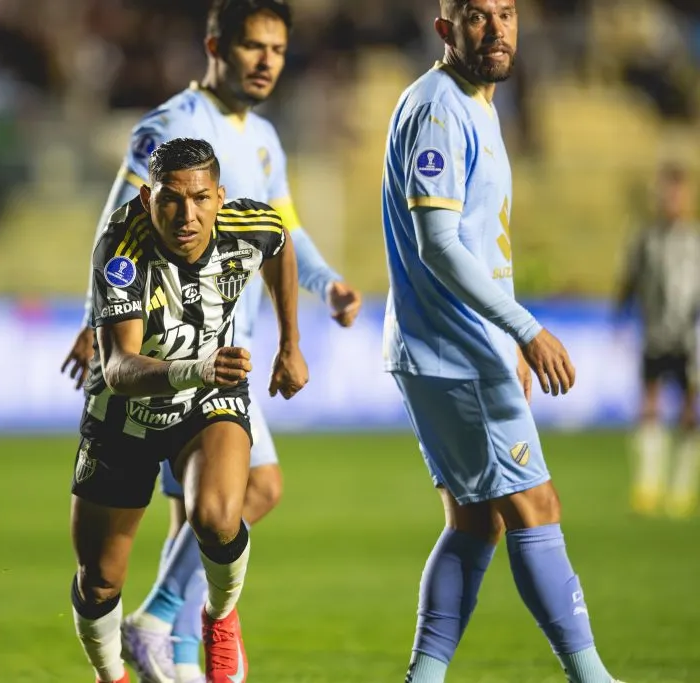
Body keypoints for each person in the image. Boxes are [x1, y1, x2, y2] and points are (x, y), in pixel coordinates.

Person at [62, 2, 361, 681]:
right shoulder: (171, 127)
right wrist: (96, 320)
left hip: (230, 345)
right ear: (214, 47)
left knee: (200, 514)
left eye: (277, 50)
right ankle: (163, 618)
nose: (265, 61)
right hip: (172, 352)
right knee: (252, 489)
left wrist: (328, 285)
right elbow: (120, 220)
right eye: (252, 46)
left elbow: (282, 232)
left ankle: (177, 656)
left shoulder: (264, 138)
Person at [380, 2, 625, 681]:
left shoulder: (475, 103)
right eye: (478, 16)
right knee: (535, 505)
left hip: (453, 346)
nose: (497, 28)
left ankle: (423, 677)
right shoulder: (438, 108)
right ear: (445, 29)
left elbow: (482, 245)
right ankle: (592, 676)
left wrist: (506, 337)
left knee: (474, 520)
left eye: (507, 13)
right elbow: (440, 245)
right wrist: (525, 327)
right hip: (456, 350)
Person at [69, 137, 308, 683]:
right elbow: (119, 368)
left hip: (206, 403)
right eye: (171, 200)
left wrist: (289, 344)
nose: (187, 215)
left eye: (200, 198)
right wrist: (196, 368)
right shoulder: (121, 250)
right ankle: (113, 676)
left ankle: (218, 619)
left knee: (219, 519)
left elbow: (281, 244)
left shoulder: (250, 225)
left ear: (219, 197)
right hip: (123, 416)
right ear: (149, 198)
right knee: (100, 581)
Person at [616, 162, 700, 518]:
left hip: (689, 335)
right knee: (649, 403)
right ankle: (649, 484)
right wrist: (619, 318)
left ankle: (682, 488)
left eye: (676, 192)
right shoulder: (645, 238)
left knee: (688, 409)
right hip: (653, 334)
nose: (670, 199)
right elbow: (629, 281)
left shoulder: (694, 240)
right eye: (665, 192)